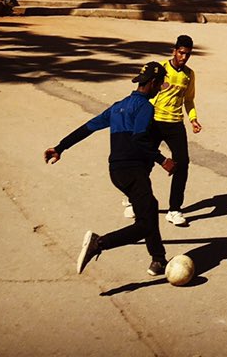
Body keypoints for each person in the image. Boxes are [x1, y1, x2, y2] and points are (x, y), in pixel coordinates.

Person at [43, 61, 175, 277]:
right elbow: (140, 138)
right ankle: (100, 243)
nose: (160, 88)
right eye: (160, 84)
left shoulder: (117, 106)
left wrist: (60, 147)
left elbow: (87, 128)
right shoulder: (145, 107)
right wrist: (163, 160)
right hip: (133, 170)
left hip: (116, 172)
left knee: (149, 207)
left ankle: (158, 260)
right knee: (145, 224)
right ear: (152, 83)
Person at [143, 34, 201, 228]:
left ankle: (174, 209)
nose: (184, 57)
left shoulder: (189, 75)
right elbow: (146, 92)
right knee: (145, 161)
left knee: (182, 163)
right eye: (181, 53)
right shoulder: (161, 69)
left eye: (188, 54)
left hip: (175, 123)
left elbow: (189, 99)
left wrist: (193, 119)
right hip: (155, 121)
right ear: (174, 51)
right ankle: (135, 200)